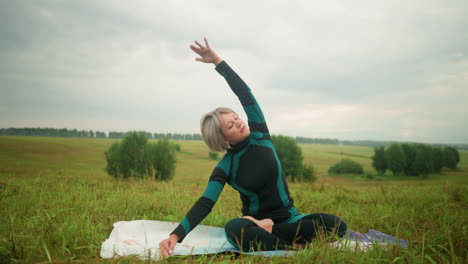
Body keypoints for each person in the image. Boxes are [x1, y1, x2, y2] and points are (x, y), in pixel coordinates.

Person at [158, 38, 347, 257]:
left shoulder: (260, 135)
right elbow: (205, 203)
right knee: (234, 229)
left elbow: (244, 94)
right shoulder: (225, 166)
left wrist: (217, 62)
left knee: (336, 225)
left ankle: (272, 236)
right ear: (223, 138)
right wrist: (175, 236)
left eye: (236, 118)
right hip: (252, 224)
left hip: (290, 220)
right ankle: (290, 247)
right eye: (231, 125)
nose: (239, 122)